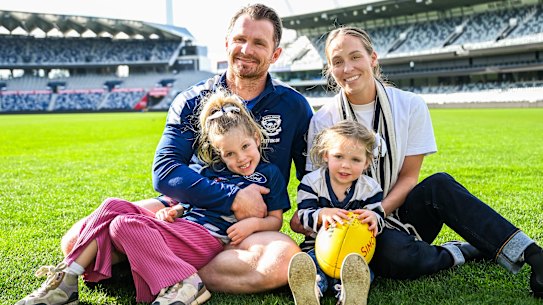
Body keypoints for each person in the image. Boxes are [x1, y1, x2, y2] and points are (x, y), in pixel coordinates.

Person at [60, 3, 313, 294]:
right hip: (185, 209)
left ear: (275, 53)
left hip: (245, 225)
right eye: (240, 39)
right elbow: (166, 172)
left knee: (281, 262)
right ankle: (175, 268)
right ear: (227, 43)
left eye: (259, 43)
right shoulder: (192, 100)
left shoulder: (293, 105)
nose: (246, 49)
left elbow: (311, 174)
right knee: (77, 240)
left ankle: (156, 265)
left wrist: (310, 218)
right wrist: (231, 197)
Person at [289, 26, 543, 298]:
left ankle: (534, 256)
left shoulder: (410, 105)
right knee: (392, 256)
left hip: (394, 210)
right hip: (350, 222)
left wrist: (378, 212)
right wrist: (353, 222)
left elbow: (410, 177)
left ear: (373, 58)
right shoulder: (323, 119)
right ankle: (460, 251)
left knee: (440, 186)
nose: (347, 67)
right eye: (337, 62)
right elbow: (318, 187)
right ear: (330, 68)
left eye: (355, 57)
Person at [16, 90, 292, 305]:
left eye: (245, 147)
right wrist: (177, 211)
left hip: (208, 238)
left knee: (123, 225)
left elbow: (276, 219)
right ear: (219, 153)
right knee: (113, 205)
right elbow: (194, 201)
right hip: (185, 227)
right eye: (229, 154)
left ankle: (184, 284)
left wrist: (251, 226)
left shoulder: (269, 174)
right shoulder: (212, 170)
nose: (240, 158)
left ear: (256, 137)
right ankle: (68, 278)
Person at [288, 120, 382, 305]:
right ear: (325, 155)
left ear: (367, 162)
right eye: (338, 156)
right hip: (317, 247)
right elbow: (303, 215)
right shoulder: (311, 182)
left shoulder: (370, 188)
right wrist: (322, 214)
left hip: (355, 253)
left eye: (355, 159)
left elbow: (379, 219)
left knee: (361, 270)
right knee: (312, 266)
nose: (345, 165)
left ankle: (349, 294)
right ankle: (312, 291)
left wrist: (374, 218)